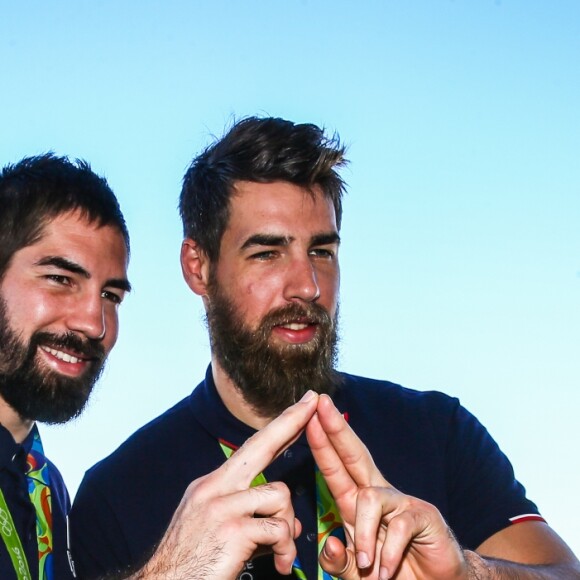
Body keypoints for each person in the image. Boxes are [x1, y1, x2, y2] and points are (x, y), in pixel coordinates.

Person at [69, 117, 580, 580]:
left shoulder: (437, 430)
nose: (308, 286)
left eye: (322, 251)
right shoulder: (117, 492)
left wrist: (469, 574)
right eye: (267, 252)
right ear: (198, 267)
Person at [0, 154, 315, 580]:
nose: (94, 323)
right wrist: (175, 569)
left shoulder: (46, 489)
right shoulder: (102, 494)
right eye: (60, 279)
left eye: (111, 296)